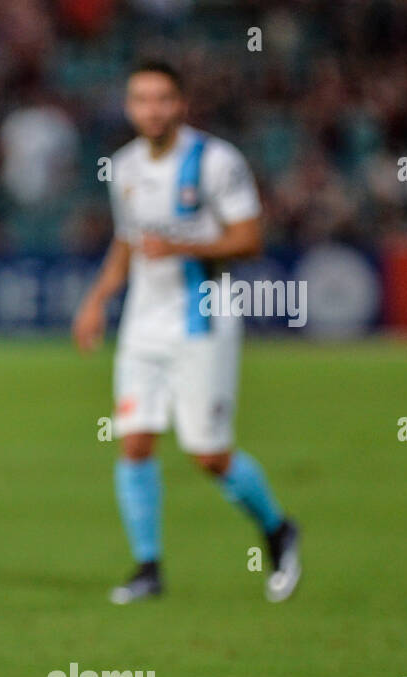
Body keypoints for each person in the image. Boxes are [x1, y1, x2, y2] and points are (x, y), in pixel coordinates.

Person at [73, 61, 300, 605]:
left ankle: (277, 528)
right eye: (141, 99)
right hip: (143, 324)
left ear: (181, 105)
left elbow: (249, 238)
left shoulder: (217, 161)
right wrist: (98, 298)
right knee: (135, 442)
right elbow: (128, 242)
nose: (152, 109)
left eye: (162, 99)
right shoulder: (124, 166)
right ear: (130, 107)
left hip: (204, 319)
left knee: (208, 454)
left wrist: (182, 246)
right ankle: (149, 567)